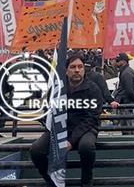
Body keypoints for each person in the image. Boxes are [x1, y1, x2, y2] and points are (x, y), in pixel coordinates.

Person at [31, 53, 102, 187]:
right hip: (59, 127)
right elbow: (47, 111)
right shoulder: (57, 88)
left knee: (86, 147)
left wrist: (70, 141)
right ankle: (51, 181)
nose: (77, 70)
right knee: (36, 150)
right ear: (66, 70)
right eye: (73, 67)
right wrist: (53, 128)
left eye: (80, 67)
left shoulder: (93, 89)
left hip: (85, 129)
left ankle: (86, 181)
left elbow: (91, 118)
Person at [111, 53, 134, 135]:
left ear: (123, 61)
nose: (116, 63)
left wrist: (132, 100)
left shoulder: (126, 73)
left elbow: (129, 90)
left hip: (126, 102)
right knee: (126, 125)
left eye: (118, 61)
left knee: (127, 125)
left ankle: (129, 142)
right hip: (126, 101)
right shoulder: (126, 71)